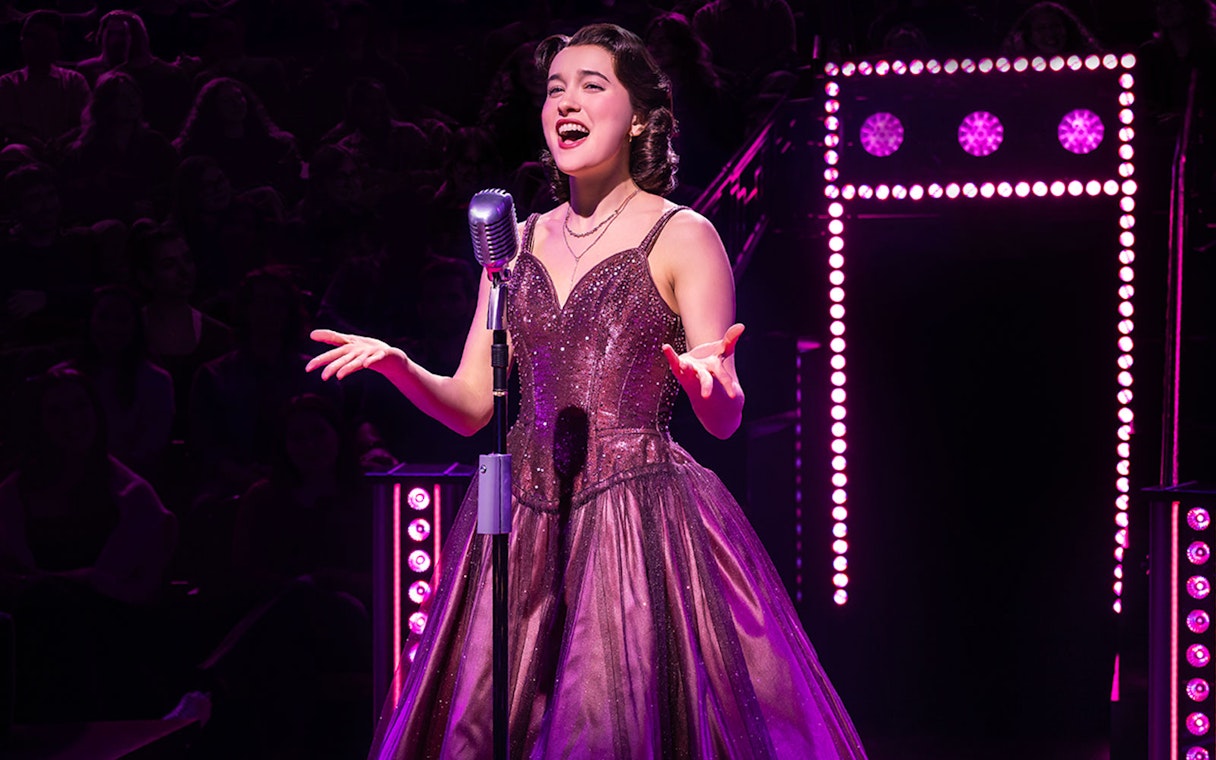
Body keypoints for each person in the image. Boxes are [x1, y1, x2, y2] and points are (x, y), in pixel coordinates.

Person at [308, 23, 867, 759]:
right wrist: (399, 367)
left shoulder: (684, 235)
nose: (566, 102)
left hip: (636, 514)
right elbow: (473, 405)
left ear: (637, 117)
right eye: (554, 90)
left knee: (608, 719)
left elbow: (724, 416)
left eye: (591, 85)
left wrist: (711, 387)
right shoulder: (515, 242)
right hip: (521, 513)